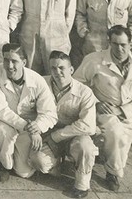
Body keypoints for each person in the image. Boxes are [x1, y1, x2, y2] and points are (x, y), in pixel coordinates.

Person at [73, 25, 132, 192]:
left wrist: (123, 111)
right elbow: (76, 84)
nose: (119, 49)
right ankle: (113, 173)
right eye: (115, 44)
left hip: (126, 116)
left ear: (131, 45)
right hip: (101, 112)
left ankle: (111, 162)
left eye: (123, 45)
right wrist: (95, 102)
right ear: (108, 43)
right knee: (114, 131)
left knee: (121, 141)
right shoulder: (94, 60)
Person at [0, 43, 58, 182]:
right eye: (6, 60)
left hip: (28, 127)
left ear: (24, 62)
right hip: (6, 120)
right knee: (1, 132)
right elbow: (0, 109)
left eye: (14, 61)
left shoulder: (37, 80)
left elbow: (50, 113)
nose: (9, 66)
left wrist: (38, 127)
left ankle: (14, 155)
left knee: (24, 173)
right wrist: (27, 127)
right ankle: (3, 165)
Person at [41, 50, 98, 199]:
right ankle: (56, 164)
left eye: (62, 68)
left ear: (71, 70)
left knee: (86, 147)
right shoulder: (41, 83)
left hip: (75, 135)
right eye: (53, 68)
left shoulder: (85, 92)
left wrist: (56, 136)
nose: (57, 72)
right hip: (49, 134)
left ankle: (82, 184)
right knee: (39, 162)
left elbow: (88, 125)